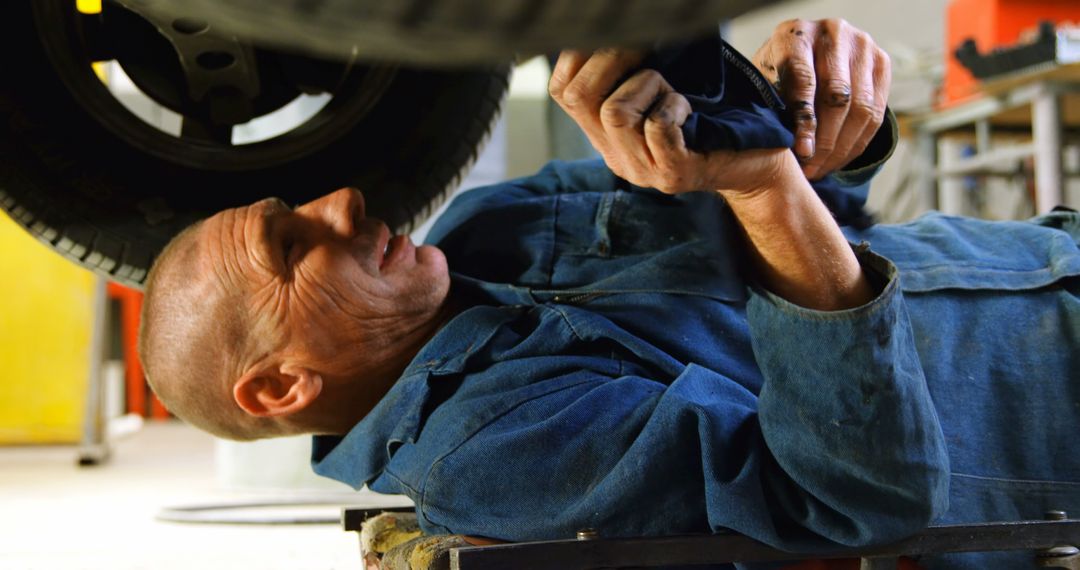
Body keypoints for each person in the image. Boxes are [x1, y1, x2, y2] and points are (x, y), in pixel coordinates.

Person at [138, 19, 1080, 570]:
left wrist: (799, 99)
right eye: (294, 246)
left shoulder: (484, 225)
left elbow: (789, 189)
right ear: (281, 387)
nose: (342, 202)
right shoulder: (488, 456)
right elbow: (856, 494)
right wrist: (765, 187)